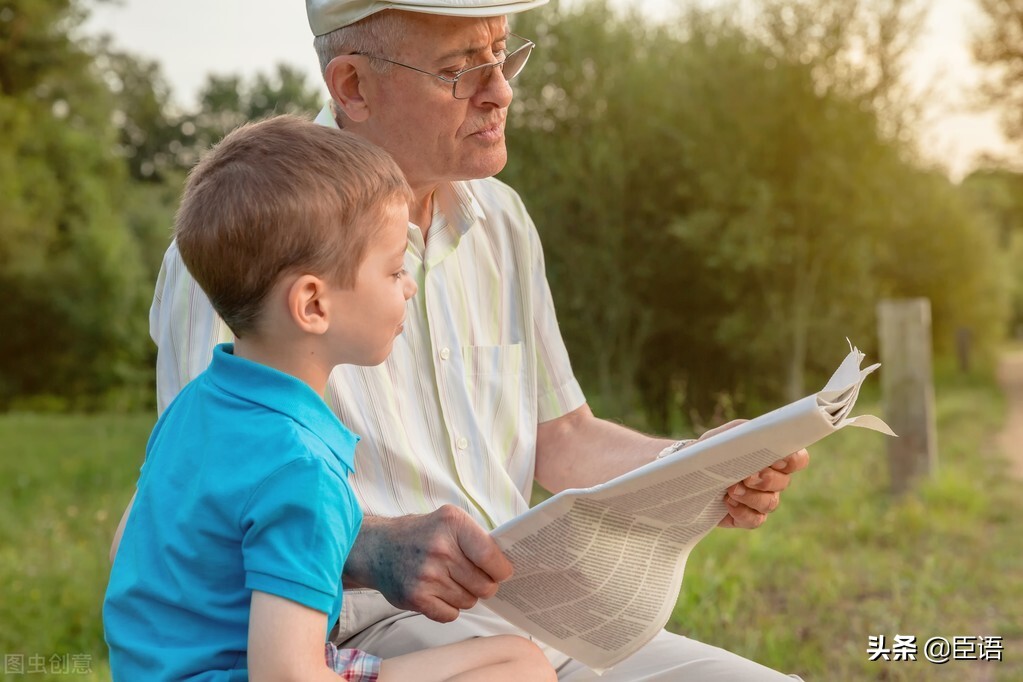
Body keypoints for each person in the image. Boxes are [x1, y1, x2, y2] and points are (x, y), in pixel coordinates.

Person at [145, 1, 811, 679]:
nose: (500, 91)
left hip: (537, 617)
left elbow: (563, 437)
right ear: (352, 86)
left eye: (502, 56)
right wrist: (375, 551)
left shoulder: (503, 220)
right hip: (361, 634)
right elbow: (195, 505)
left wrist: (696, 465)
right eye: (461, 70)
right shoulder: (243, 249)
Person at [104, 115, 555, 682]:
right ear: (313, 305)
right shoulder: (303, 473)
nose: (409, 285)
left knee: (520, 657)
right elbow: (286, 675)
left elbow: (129, 545)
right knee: (518, 673)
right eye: (394, 270)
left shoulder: (200, 404)